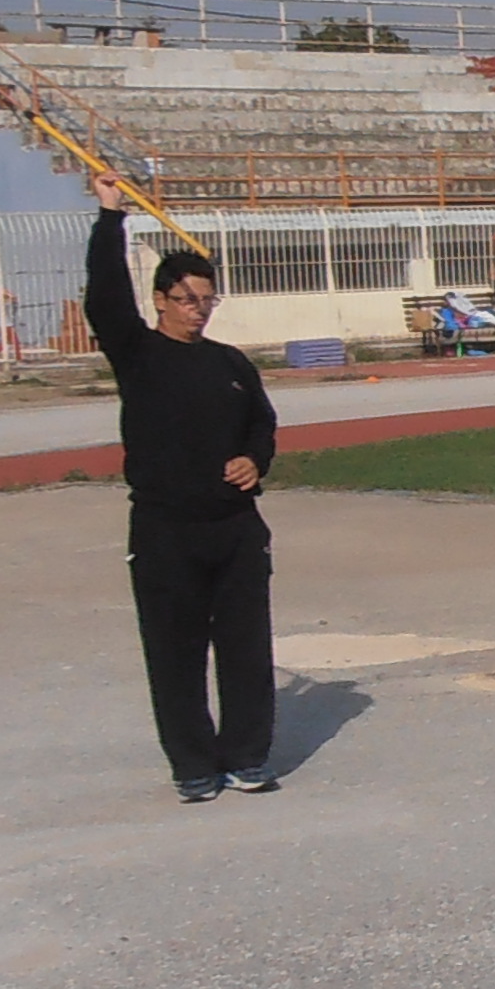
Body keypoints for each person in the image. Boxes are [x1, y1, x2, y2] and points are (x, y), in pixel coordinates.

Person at [85, 193, 282, 799]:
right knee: (175, 652)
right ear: (161, 300)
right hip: (166, 528)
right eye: (187, 299)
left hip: (235, 527)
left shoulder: (230, 363)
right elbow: (104, 298)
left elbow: (262, 422)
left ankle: (247, 755)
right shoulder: (138, 354)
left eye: (207, 300)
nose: (198, 311)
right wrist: (111, 217)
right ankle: (193, 765)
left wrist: (255, 459)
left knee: (246, 649)